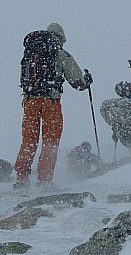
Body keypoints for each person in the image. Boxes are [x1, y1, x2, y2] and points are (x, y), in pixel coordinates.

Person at [13, 23, 92, 190]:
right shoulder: (59, 53)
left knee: (29, 140)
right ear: (61, 38)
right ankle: (45, 180)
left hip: (30, 101)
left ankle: (21, 178)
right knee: (50, 141)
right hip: (51, 102)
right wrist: (86, 82)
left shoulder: (30, 52)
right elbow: (77, 82)